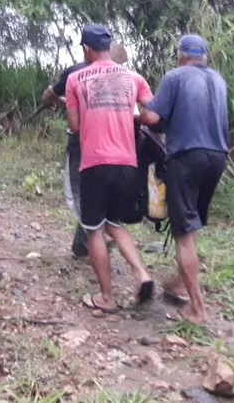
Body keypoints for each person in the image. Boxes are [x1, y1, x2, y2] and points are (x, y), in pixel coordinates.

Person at [65, 23, 155, 313]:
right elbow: (154, 114)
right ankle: (141, 273)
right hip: (127, 163)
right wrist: (132, 119)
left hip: (95, 163)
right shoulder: (134, 77)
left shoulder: (75, 79)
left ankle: (106, 297)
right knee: (114, 223)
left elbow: (74, 126)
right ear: (108, 47)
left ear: (86, 49)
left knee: (94, 229)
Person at [140, 34, 229, 324]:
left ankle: (196, 309)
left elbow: (151, 119)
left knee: (182, 231)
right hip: (218, 156)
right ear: (204, 57)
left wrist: (139, 113)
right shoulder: (218, 80)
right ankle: (180, 283)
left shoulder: (175, 77)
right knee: (193, 222)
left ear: (180, 56)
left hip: (186, 157)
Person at [42, 43, 129, 259]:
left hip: (82, 140)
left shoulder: (76, 72)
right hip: (112, 145)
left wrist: (55, 99)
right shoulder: (121, 78)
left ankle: (98, 233)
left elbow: (51, 96)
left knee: (78, 192)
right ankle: (82, 245)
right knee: (95, 193)